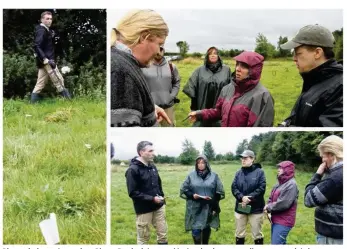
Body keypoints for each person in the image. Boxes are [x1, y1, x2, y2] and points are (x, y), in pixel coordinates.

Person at [110, 9, 171, 127]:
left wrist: (149, 109)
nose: (159, 51)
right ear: (144, 37)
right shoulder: (120, 72)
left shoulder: (126, 63)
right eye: (160, 44)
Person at [279, 24, 343, 127]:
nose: (294, 59)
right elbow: (298, 117)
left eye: (298, 53)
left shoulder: (340, 88)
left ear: (317, 53)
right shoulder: (314, 79)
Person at [188, 51, 274, 127]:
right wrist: (200, 114)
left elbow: (262, 127)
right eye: (237, 64)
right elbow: (219, 112)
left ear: (254, 70)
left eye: (244, 66)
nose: (237, 69)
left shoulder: (263, 97)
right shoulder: (227, 89)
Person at [125, 141, 168, 244]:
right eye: (150, 151)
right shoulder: (132, 170)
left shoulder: (152, 166)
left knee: (163, 235)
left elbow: (158, 183)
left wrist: (161, 197)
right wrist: (152, 199)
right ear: (141, 152)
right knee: (143, 238)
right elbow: (133, 192)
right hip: (144, 209)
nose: (154, 153)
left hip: (159, 207)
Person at [304, 135, 343, 244]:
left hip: (333, 237)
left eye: (323, 156)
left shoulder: (335, 178)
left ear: (331, 154)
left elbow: (308, 200)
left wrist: (317, 175)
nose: (322, 160)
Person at [180, 155, 225, 244]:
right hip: (195, 206)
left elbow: (218, 192)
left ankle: (205, 244)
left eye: (203, 162)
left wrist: (215, 206)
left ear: (206, 163)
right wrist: (193, 195)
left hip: (208, 206)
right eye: (198, 163)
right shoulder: (191, 176)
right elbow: (184, 189)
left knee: (206, 226)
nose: (200, 165)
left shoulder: (214, 176)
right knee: (196, 228)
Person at [183, 47, 232, 127]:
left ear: (218, 56)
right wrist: (193, 108)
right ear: (207, 56)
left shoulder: (226, 70)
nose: (213, 55)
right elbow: (193, 90)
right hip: (202, 107)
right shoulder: (199, 71)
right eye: (210, 54)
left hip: (220, 109)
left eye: (215, 53)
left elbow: (231, 89)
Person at [31, 11, 71, 103]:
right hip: (47, 61)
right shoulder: (41, 30)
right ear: (42, 19)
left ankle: (32, 104)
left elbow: (46, 46)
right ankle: (69, 102)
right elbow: (37, 46)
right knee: (59, 80)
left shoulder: (45, 30)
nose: (49, 21)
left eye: (50, 19)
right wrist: (45, 59)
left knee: (40, 83)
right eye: (47, 19)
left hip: (43, 61)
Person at [231, 150, 266, 244]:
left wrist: (249, 198)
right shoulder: (238, 173)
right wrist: (241, 197)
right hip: (241, 207)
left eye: (245, 158)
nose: (243, 160)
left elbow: (261, 188)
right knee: (239, 233)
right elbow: (234, 187)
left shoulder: (260, 172)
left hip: (256, 209)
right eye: (242, 158)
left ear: (252, 159)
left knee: (257, 234)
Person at [142, 47, 181, 126]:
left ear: (163, 51)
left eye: (160, 49)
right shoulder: (144, 66)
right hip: (150, 109)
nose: (158, 52)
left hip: (168, 107)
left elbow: (176, 82)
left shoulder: (171, 66)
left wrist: (171, 96)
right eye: (156, 49)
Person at [264, 161, 299, 244]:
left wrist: (268, 207)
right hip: (276, 219)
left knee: (276, 244)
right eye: (278, 168)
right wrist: (268, 204)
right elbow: (271, 197)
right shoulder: (279, 183)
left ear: (288, 169)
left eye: (281, 168)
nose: (278, 170)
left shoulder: (291, 184)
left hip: (284, 221)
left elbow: (284, 203)